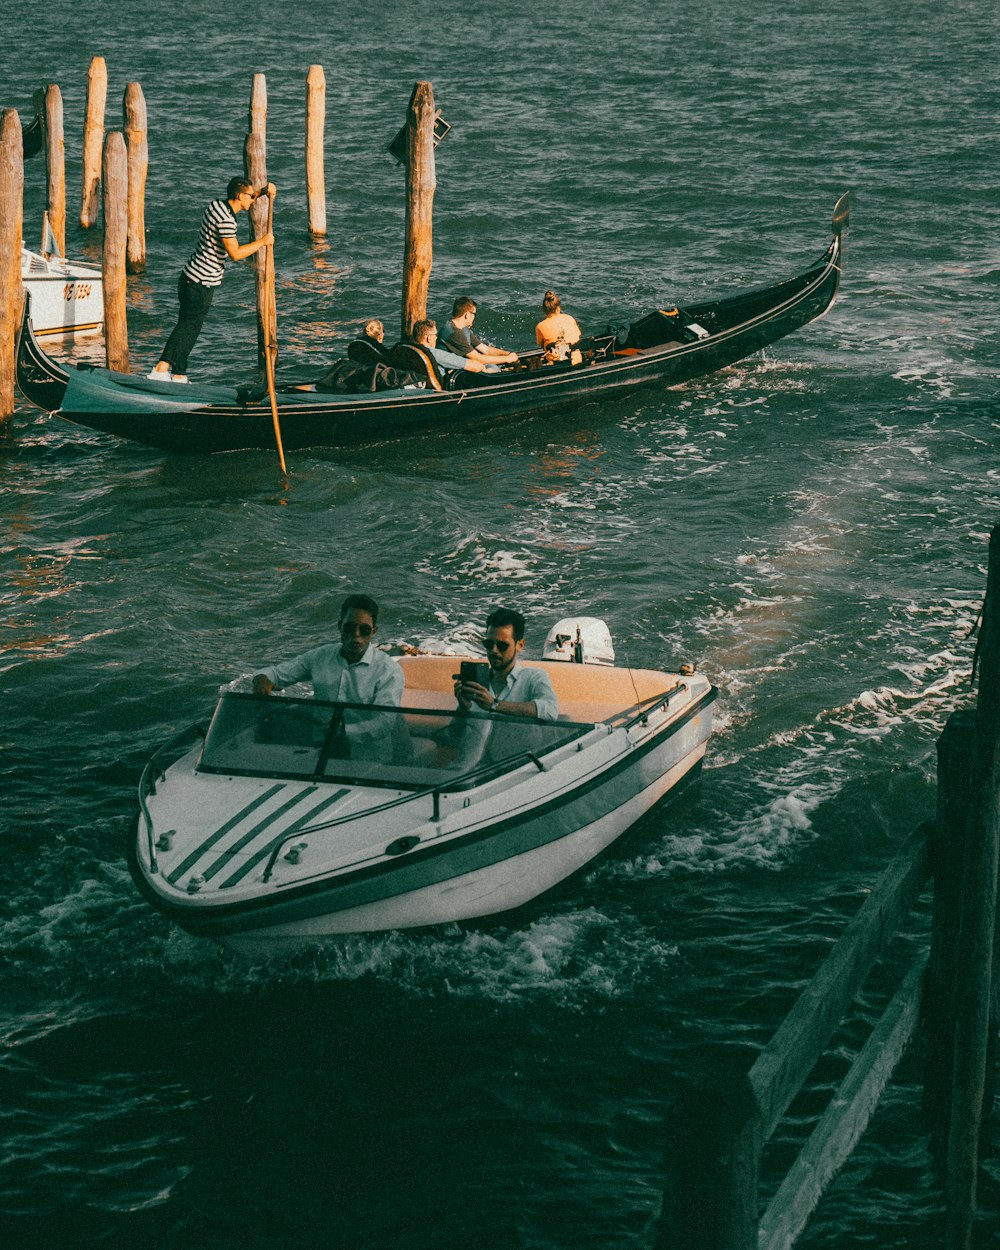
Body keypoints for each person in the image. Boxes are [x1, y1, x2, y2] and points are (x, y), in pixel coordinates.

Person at [148, 177, 276, 383]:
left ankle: (179, 373)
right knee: (187, 329)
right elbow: (234, 253)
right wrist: (263, 241)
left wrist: (262, 191)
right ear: (239, 196)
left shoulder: (216, 206)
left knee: (188, 327)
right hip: (201, 283)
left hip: (189, 277)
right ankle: (160, 369)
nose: (253, 200)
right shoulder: (227, 221)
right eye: (250, 197)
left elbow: (246, 195)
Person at [252, 593, 404, 706]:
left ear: (373, 631)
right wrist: (262, 679)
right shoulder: (320, 657)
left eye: (364, 630)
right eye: (349, 628)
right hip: (320, 743)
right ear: (340, 627)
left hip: (366, 748)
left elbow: (383, 723)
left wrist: (342, 733)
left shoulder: (389, 671)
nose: (356, 635)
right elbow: (276, 674)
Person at [454, 607, 558, 721]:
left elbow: (550, 711)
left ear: (520, 645)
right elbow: (456, 734)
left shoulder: (534, 678)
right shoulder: (477, 684)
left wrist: (494, 705)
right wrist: (464, 709)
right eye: (489, 644)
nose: (494, 650)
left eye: (502, 645)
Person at [440, 297, 518, 366]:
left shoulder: (463, 328)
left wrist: (507, 354)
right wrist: (507, 359)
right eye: (474, 314)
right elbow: (478, 358)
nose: (474, 317)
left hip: (461, 366)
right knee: (492, 368)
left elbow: (486, 350)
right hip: (451, 374)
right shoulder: (454, 332)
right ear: (467, 314)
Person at [411, 319, 495, 375]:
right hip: (445, 387)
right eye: (435, 335)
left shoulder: (411, 349)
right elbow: (475, 366)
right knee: (492, 367)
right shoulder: (435, 354)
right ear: (429, 338)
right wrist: (486, 368)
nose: (436, 337)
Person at [534, 290, 582, 363]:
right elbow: (577, 338)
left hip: (556, 364)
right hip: (576, 361)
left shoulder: (540, 326)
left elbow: (541, 344)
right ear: (558, 307)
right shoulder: (570, 318)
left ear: (544, 310)